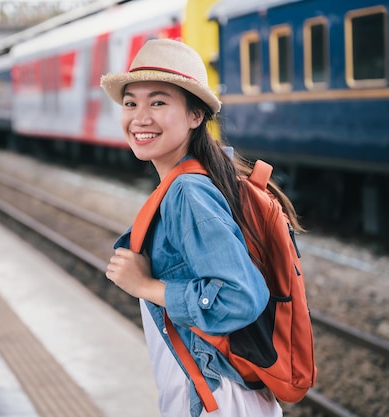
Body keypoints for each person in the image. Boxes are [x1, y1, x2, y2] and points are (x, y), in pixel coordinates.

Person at [102, 39, 303, 417]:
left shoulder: (188, 192)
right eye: (131, 103)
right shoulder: (204, 177)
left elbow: (241, 297)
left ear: (196, 116)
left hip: (213, 398)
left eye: (158, 102)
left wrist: (146, 286)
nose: (140, 117)